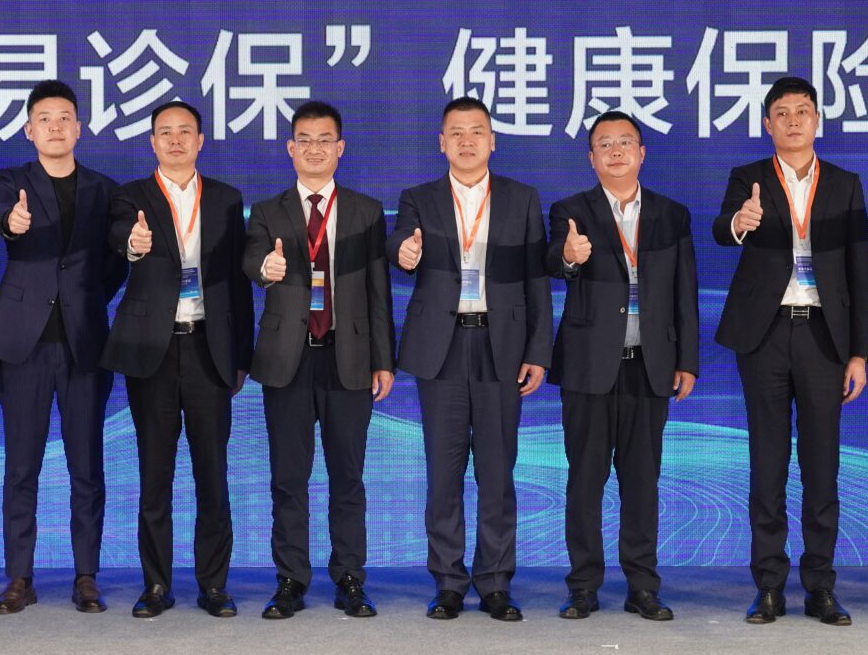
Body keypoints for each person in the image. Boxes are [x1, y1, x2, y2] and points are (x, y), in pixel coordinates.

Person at [711, 77, 868, 626]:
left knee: (822, 466)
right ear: (767, 124)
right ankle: (769, 586)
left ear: (817, 120)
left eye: (803, 111)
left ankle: (820, 586)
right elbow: (721, 229)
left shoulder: (845, 183)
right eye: (782, 113)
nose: (794, 120)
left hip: (825, 337)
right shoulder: (749, 177)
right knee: (768, 462)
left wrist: (859, 353)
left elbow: (859, 268)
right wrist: (740, 223)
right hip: (765, 335)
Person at [391, 96, 552, 622]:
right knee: (443, 471)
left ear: (492, 141)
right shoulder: (418, 198)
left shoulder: (521, 198)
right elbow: (400, 247)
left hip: (501, 345)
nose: (466, 141)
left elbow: (536, 279)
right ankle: (448, 582)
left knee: (497, 471)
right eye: (456, 133)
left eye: (476, 131)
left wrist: (538, 350)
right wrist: (405, 254)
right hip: (441, 347)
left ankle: (496, 582)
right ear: (441, 143)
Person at [243, 101, 394, 619]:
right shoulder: (268, 210)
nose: (314, 148)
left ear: (340, 148)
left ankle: (350, 577)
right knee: (288, 478)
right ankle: (290, 579)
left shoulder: (365, 211)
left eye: (324, 139)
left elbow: (378, 291)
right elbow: (251, 259)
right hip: (287, 361)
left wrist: (383, 360)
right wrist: (265, 267)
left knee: (348, 477)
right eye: (304, 140)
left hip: (348, 358)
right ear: (290, 148)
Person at [547, 112, 698, 622]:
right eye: (604, 144)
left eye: (625, 143)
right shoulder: (571, 210)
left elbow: (685, 291)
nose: (615, 152)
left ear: (642, 153)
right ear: (591, 158)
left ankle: (643, 586)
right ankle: (583, 586)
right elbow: (554, 261)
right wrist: (570, 256)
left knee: (642, 482)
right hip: (589, 368)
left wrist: (687, 360)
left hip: (649, 366)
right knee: (584, 482)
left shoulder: (672, 215)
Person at [104, 101, 253, 618]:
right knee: (155, 475)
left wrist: (241, 355)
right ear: (152, 142)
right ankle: (156, 585)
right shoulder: (131, 196)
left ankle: (214, 585)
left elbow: (237, 285)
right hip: (154, 352)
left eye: (184, 131)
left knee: (213, 474)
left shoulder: (227, 199)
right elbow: (117, 235)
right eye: (164, 132)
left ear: (200, 140)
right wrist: (133, 242)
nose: (174, 140)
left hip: (211, 349)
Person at [0, 80, 127, 614]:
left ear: (79, 128)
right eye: (44, 119)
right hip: (23, 345)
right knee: (22, 467)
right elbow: (0, 216)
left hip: (84, 344)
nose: (55, 127)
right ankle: (19, 577)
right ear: (29, 129)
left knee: (86, 466)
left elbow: (115, 260)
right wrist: (13, 221)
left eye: (64, 117)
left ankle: (86, 575)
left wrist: (84, 298)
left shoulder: (105, 189)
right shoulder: (11, 180)